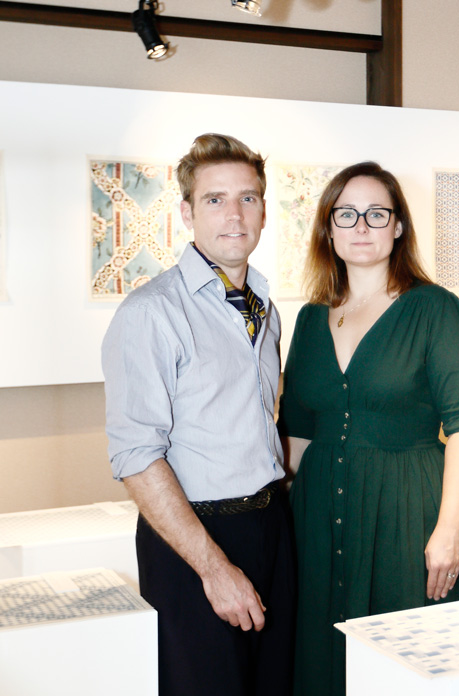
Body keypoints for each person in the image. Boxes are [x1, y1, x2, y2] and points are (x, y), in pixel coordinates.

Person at [278, 161, 459, 696]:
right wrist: (281, 526)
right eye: (346, 214)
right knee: (323, 660)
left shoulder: (436, 309)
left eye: (376, 213)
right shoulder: (310, 318)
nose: (361, 226)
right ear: (328, 227)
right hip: (318, 517)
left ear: (397, 226)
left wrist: (449, 530)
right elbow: (296, 435)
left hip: (408, 512)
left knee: (406, 664)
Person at [102, 133, 295, 696]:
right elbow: (136, 457)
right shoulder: (151, 313)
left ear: (263, 210)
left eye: (248, 198)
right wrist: (213, 568)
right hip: (195, 540)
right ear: (186, 212)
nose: (234, 215)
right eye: (215, 199)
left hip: (270, 528)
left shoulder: (265, 309)